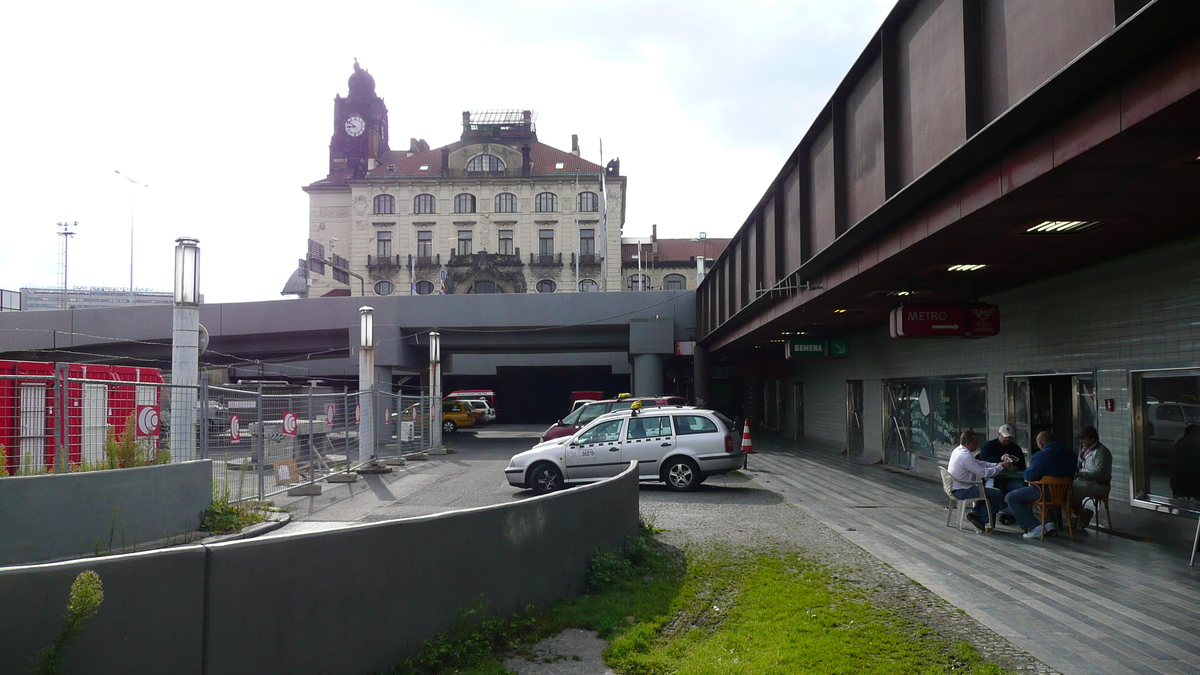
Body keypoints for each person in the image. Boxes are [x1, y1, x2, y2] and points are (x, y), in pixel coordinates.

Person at [1005, 431, 1077, 538]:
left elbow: (1029, 476)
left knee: (1011, 497)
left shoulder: (1041, 456)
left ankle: (1035, 526)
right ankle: (1049, 523)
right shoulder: (1072, 455)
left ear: (1040, 444)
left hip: (1044, 492)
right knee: (1046, 494)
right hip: (1065, 494)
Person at [947, 429, 1012, 532]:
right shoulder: (965, 456)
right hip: (962, 490)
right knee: (997, 493)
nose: (977, 444)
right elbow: (984, 473)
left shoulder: (959, 450)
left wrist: (996, 464)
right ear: (968, 444)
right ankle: (982, 519)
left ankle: (976, 512)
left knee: (985, 490)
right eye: (975, 442)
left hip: (957, 487)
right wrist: (1001, 467)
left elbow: (978, 463)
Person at [978, 424, 1027, 524]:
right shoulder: (989, 446)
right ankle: (993, 516)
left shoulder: (1016, 448)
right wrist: (1000, 459)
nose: (1008, 439)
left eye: (1010, 437)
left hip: (1010, 479)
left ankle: (1007, 511)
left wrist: (1014, 464)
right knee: (994, 490)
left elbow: (1022, 465)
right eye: (1005, 437)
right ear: (999, 435)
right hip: (993, 478)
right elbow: (983, 460)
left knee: (1022, 488)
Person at [1070, 426, 1112, 530]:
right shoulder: (1084, 450)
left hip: (1099, 484)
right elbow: (1078, 465)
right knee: (1066, 487)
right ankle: (1082, 513)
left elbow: (1100, 472)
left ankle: (1077, 515)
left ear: (1092, 438)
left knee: (1073, 489)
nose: (1082, 441)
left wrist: (1080, 474)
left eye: (1084, 438)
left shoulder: (1102, 452)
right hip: (1085, 481)